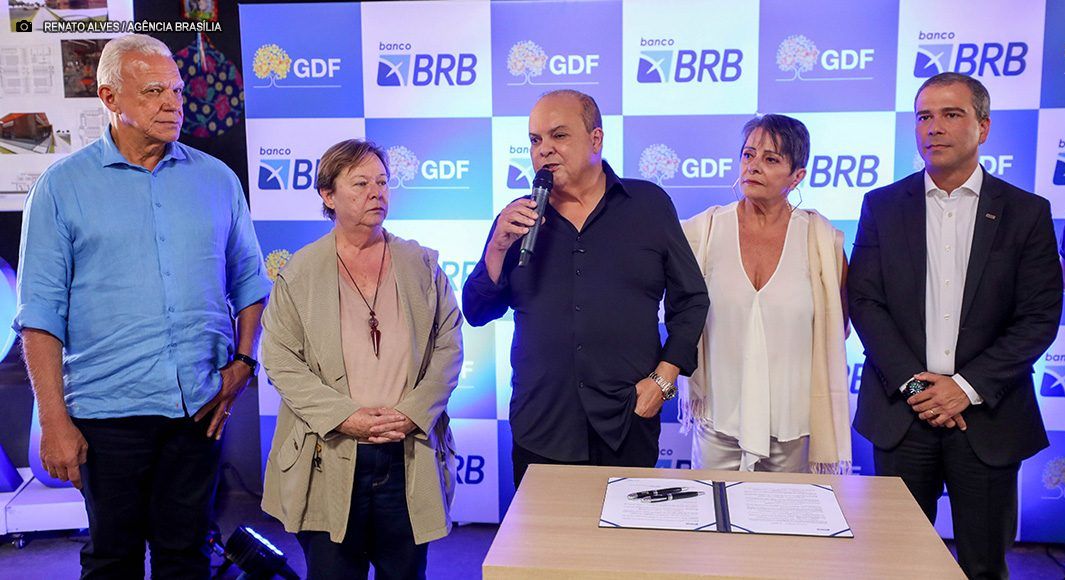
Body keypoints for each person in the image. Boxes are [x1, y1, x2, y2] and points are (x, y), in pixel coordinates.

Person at [14, 34, 270, 578]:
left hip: (198, 407)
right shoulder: (61, 188)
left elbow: (250, 280)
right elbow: (39, 314)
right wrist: (54, 422)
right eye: (154, 91)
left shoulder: (217, 180)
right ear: (109, 98)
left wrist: (245, 363)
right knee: (113, 559)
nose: (173, 103)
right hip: (107, 415)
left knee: (187, 556)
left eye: (176, 90)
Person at [849, 72, 1061, 580]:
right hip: (903, 413)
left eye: (951, 114)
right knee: (897, 566)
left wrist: (964, 388)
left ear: (983, 127)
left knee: (983, 566)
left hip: (988, 418)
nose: (934, 127)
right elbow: (865, 302)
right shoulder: (882, 205)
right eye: (924, 116)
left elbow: (1038, 317)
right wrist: (919, 388)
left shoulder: (1027, 212)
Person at [462, 90, 709, 487]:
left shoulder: (648, 205)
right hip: (542, 425)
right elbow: (477, 312)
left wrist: (664, 380)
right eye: (535, 140)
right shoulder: (518, 219)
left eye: (559, 136)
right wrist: (497, 247)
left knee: (626, 529)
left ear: (596, 139)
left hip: (626, 421)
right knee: (544, 530)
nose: (544, 150)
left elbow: (692, 298)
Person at [260, 139, 463, 580]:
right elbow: (279, 359)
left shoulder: (421, 264)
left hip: (406, 454)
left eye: (383, 182)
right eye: (361, 184)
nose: (377, 193)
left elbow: (449, 344)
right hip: (328, 454)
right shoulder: (300, 272)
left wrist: (413, 413)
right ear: (328, 195)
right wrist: (343, 417)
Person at [679, 114, 851, 473]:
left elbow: (840, 329)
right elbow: (678, 316)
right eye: (748, 154)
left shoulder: (822, 242)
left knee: (784, 511)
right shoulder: (702, 232)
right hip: (717, 421)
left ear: (797, 176)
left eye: (771, 159)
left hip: (792, 427)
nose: (753, 166)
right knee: (711, 509)